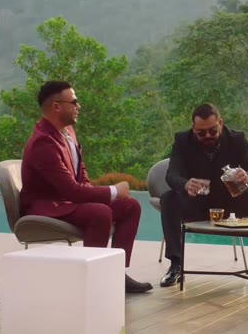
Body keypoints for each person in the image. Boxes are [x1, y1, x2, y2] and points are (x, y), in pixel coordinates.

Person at [20, 81, 153, 293]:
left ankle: (116, 272)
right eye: (74, 102)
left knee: (130, 207)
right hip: (48, 206)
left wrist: (97, 194)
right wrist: (113, 191)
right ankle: (93, 278)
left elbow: (79, 173)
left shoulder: (68, 131)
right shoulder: (42, 142)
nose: (78, 106)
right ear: (56, 106)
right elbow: (71, 191)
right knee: (99, 212)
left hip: (68, 202)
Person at [159, 103, 248, 287]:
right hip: (197, 203)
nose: (207, 136)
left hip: (231, 204)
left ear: (220, 124)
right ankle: (176, 265)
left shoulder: (237, 139)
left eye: (213, 131)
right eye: (201, 133)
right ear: (193, 128)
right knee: (168, 198)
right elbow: (171, 174)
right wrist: (185, 184)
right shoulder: (182, 140)